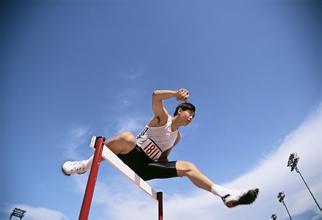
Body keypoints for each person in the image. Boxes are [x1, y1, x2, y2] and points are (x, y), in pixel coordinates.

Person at [62, 88, 259, 208]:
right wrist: (175, 94)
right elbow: (156, 96)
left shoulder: (177, 138)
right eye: (189, 113)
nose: (191, 118)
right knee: (128, 138)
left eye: (193, 117)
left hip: (148, 167)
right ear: (180, 110)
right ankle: (84, 165)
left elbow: (163, 159)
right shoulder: (162, 118)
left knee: (188, 166)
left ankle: (224, 194)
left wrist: (171, 170)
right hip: (131, 155)